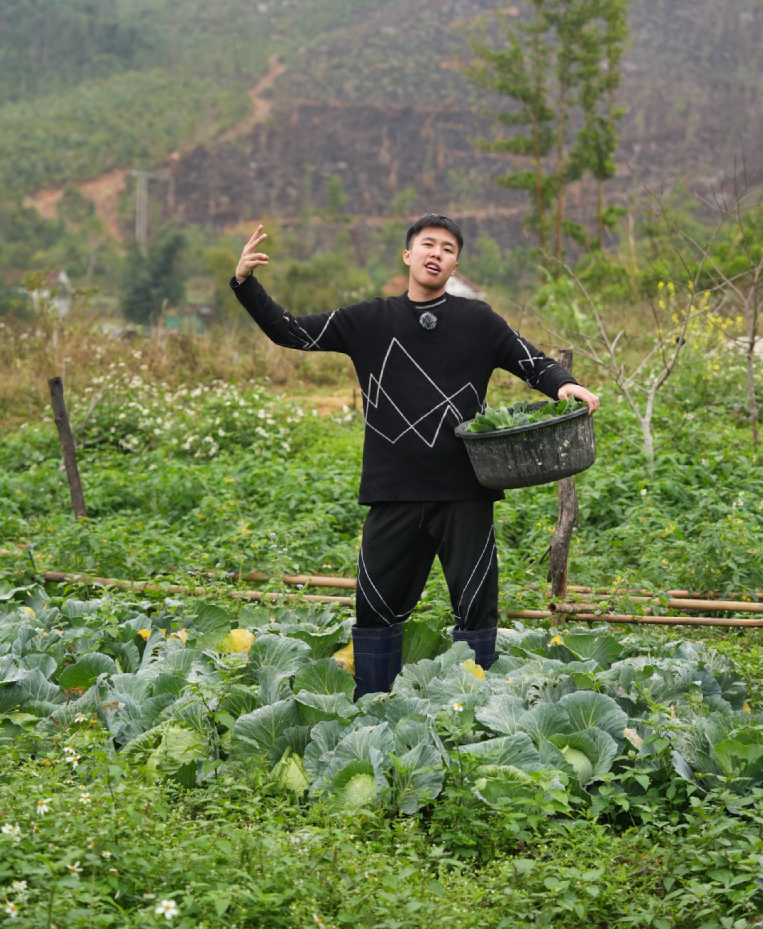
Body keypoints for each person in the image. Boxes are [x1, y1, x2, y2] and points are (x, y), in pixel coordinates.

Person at [232, 213, 599, 698]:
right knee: (375, 607)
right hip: (394, 492)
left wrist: (565, 384)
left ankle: (477, 716)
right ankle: (371, 710)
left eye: (447, 249)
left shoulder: (479, 320)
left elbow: (529, 359)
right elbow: (291, 332)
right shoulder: (368, 320)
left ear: (455, 264)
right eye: (428, 245)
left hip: (464, 493)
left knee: (476, 606)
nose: (436, 254)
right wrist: (244, 282)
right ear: (408, 255)